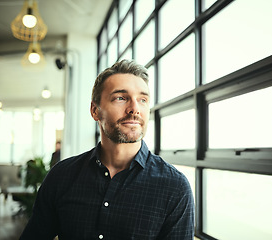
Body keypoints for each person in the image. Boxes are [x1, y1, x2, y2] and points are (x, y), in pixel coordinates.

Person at [20, 59, 195, 239]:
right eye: (121, 98)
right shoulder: (61, 176)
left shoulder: (174, 188)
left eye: (142, 99)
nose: (134, 109)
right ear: (95, 110)